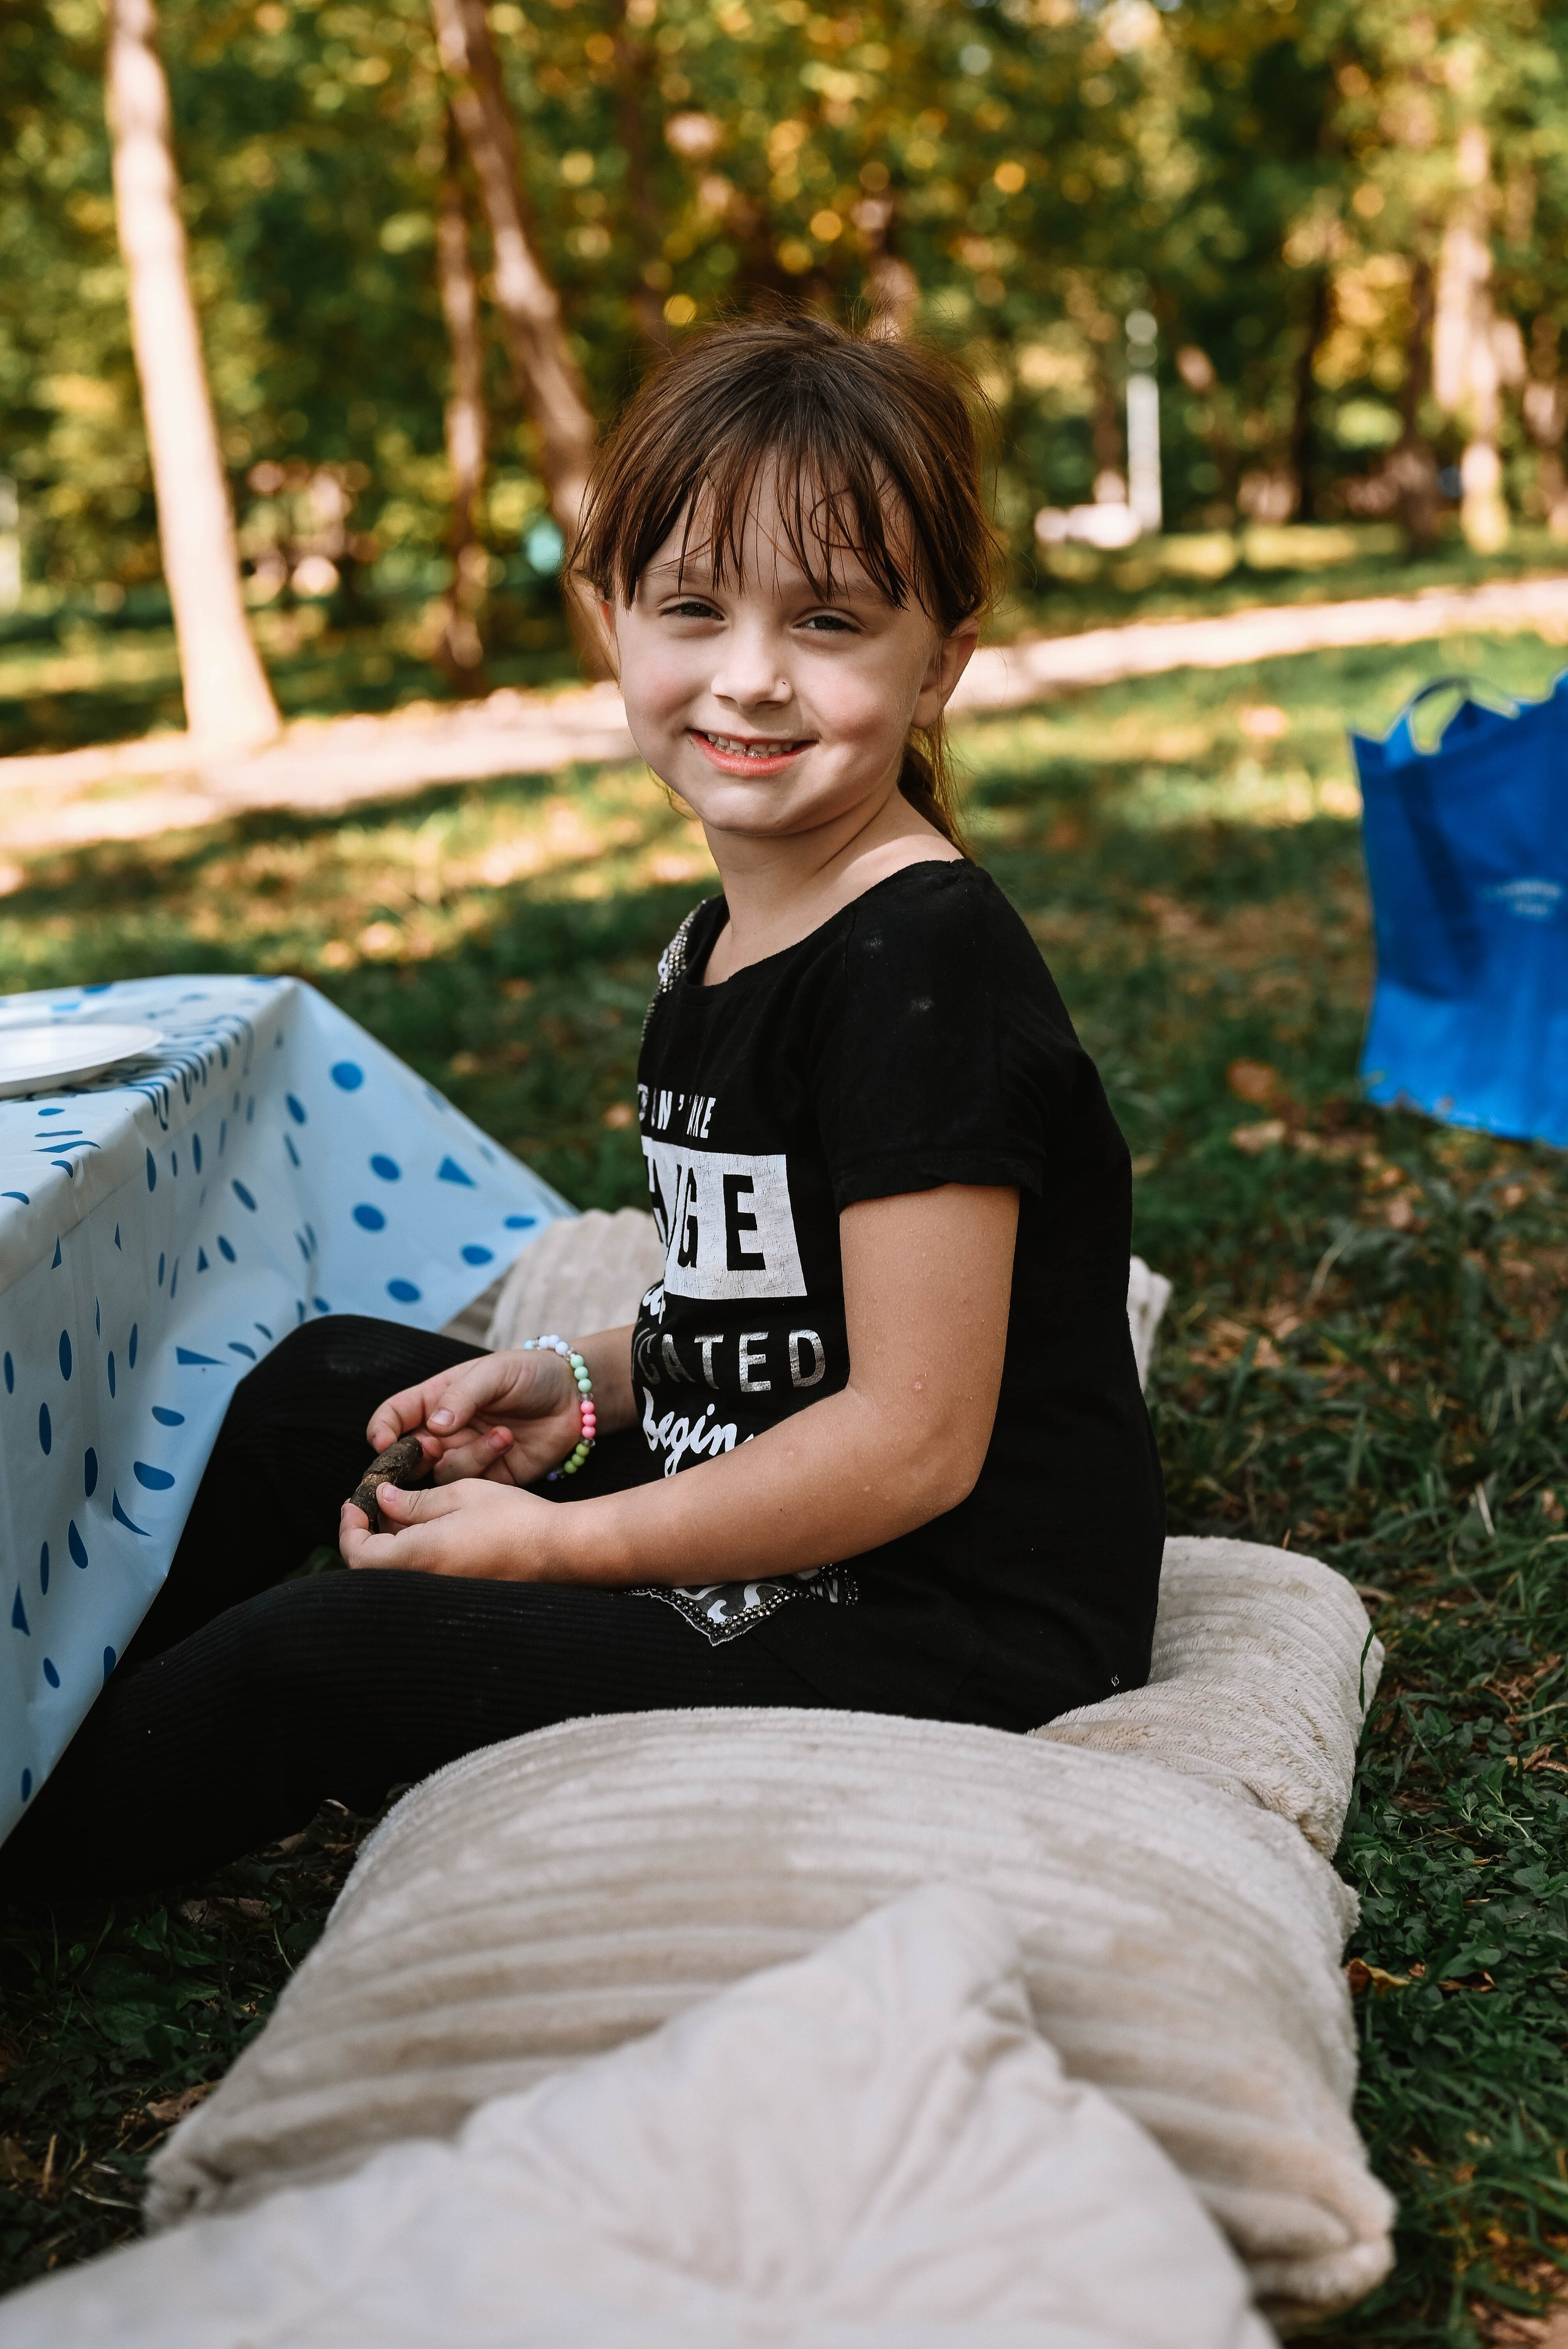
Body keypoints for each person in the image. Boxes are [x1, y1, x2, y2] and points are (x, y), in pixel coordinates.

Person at [2, 314, 1163, 1896]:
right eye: (693, 606)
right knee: (315, 1384)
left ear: (938, 657)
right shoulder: (726, 935)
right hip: (769, 1498)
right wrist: (580, 1388)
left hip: (934, 1615)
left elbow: (911, 1441)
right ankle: (70, 1732)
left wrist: (555, 1547)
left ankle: (46, 1855)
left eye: (828, 620)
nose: (750, 675)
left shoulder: (923, 966)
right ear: (612, 617)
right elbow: (764, 1311)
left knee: (351, 1646)